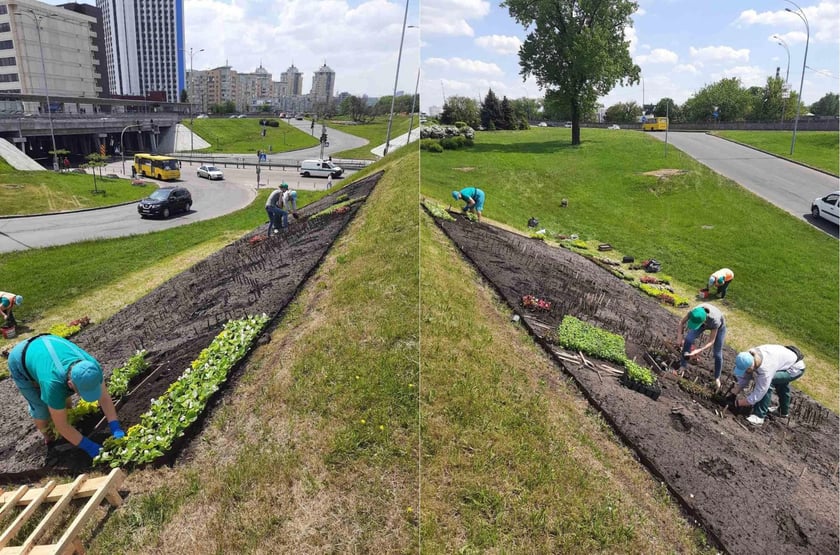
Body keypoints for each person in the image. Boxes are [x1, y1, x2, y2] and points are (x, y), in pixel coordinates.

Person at [5, 334, 125, 457]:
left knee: (63, 403)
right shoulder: (53, 384)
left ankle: (69, 426)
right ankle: (48, 438)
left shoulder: (92, 367)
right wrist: (90, 447)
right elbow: (61, 426)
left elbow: (104, 397)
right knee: (41, 409)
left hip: (46, 344)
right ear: (70, 384)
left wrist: (115, 427)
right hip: (19, 360)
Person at [727, 345, 806, 426]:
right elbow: (745, 376)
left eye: (747, 370)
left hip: (795, 368)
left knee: (771, 381)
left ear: (751, 367)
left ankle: (759, 417)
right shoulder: (748, 356)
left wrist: (736, 403)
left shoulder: (766, 370)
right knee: (780, 383)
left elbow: (759, 394)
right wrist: (733, 394)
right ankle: (783, 411)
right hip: (785, 361)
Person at [677, 303, 726, 389]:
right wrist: (679, 336)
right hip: (701, 321)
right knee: (688, 339)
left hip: (719, 326)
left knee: (717, 353)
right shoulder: (694, 312)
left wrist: (698, 350)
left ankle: (717, 378)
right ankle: (683, 365)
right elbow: (681, 322)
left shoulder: (715, 320)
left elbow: (711, 341)